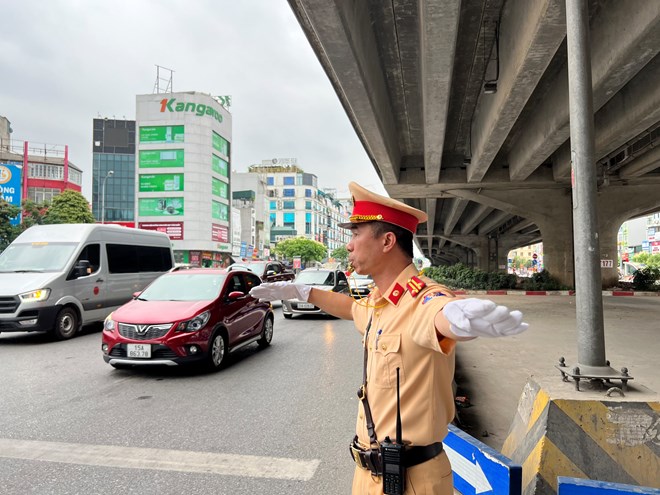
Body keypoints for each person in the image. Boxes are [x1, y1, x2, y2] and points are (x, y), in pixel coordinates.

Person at [250, 182, 529, 495]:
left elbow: (436, 314)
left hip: (413, 482)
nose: (349, 245)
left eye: (356, 234)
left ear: (387, 241)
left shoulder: (423, 299)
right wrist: (304, 292)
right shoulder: (379, 301)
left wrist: (455, 318)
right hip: (369, 476)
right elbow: (353, 309)